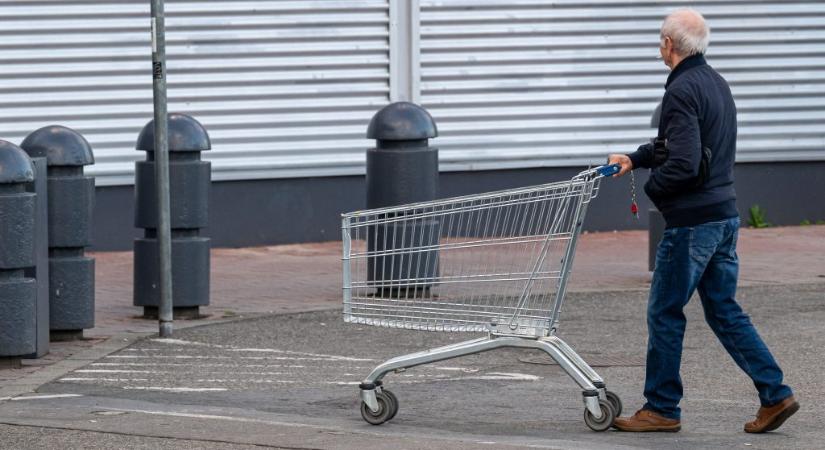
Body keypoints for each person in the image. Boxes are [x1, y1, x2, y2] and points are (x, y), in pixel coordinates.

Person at [607, 9, 797, 433]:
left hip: (692, 223)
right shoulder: (715, 84)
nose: (659, 48)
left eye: (660, 41)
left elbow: (686, 161)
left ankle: (661, 408)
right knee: (724, 310)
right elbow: (679, 146)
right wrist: (635, 159)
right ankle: (775, 393)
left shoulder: (680, 90)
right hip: (723, 216)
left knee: (665, 311)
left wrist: (656, 191)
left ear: (669, 45)